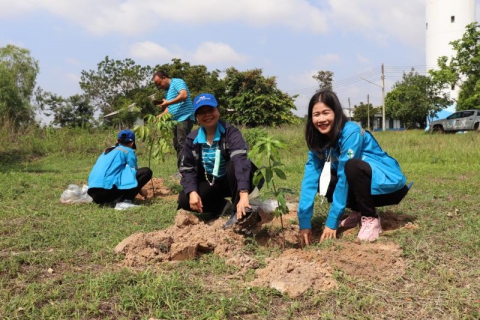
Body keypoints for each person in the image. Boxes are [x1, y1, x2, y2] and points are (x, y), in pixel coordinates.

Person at [298, 90, 410, 244]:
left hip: (388, 187)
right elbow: (309, 179)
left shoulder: (350, 131)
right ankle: (359, 211)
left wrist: (332, 221)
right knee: (322, 180)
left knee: (351, 166)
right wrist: (304, 223)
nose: (321, 119)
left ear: (336, 113)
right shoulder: (319, 141)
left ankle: (371, 217)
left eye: (326, 112)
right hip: (366, 187)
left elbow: (345, 177)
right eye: (316, 114)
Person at [177, 93, 262, 223]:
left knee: (233, 164)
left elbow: (241, 161)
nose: (207, 115)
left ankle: (238, 210)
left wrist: (244, 192)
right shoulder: (192, 139)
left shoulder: (231, 133)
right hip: (213, 182)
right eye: (201, 112)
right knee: (184, 199)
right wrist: (192, 192)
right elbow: (188, 169)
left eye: (211, 110)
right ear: (196, 117)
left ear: (218, 111)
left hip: (237, 181)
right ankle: (221, 206)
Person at [87, 130, 152, 208]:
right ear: (132, 143)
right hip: (106, 191)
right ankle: (125, 200)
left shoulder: (107, 150)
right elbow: (134, 174)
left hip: (93, 193)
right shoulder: (127, 151)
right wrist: (141, 191)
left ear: (117, 141)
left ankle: (114, 199)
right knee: (146, 171)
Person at [152, 70, 194, 177]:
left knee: (182, 143)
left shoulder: (177, 82)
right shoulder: (168, 91)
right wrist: (160, 116)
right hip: (175, 120)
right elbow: (170, 109)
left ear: (165, 77)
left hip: (184, 118)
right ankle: (182, 170)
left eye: (159, 83)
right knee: (177, 144)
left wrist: (167, 102)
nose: (159, 86)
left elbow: (184, 95)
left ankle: (184, 171)